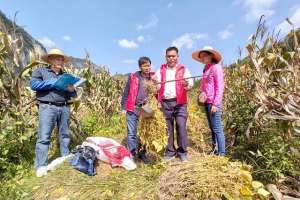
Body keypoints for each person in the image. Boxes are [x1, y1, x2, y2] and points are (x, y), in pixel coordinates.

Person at [30, 48, 77, 177]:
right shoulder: (40, 71)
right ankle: (41, 165)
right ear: (50, 59)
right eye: (56, 58)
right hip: (47, 107)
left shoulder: (66, 75)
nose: (59, 60)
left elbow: (73, 94)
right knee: (44, 137)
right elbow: (34, 85)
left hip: (64, 107)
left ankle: (65, 157)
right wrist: (53, 82)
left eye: (61, 58)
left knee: (65, 134)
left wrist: (72, 89)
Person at [155, 46, 194, 162]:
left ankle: (182, 152)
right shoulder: (161, 69)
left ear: (177, 57)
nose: (171, 58)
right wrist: (154, 84)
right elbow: (155, 83)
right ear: (166, 57)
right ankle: (170, 151)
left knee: (181, 126)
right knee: (168, 128)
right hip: (165, 103)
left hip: (180, 102)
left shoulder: (183, 69)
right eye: (169, 56)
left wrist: (187, 83)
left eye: (173, 56)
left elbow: (190, 83)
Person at [192, 46, 225, 156]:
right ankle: (214, 150)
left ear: (211, 55)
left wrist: (216, 104)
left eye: (204, 56)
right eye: (201, 57)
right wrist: (202, 94)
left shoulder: (216, 68)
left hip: (214, 102)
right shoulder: (206, 69)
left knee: (217, 129)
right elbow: (205, 87)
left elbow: (220, 87)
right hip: (207, 102)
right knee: (212, 128)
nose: (202, 58)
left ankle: (222, 154)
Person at [121, 56, 155, 164]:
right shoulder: (133, 77)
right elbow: (126, 92)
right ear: (140, 67)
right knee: (131, 133)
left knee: (144, 132)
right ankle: (132, 154)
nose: (147, 68)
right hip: (133, 107)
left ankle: (142, 153)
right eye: (145, 66)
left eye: (148, 65)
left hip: (146, 108)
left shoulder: (153, 78)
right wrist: (123, 106)